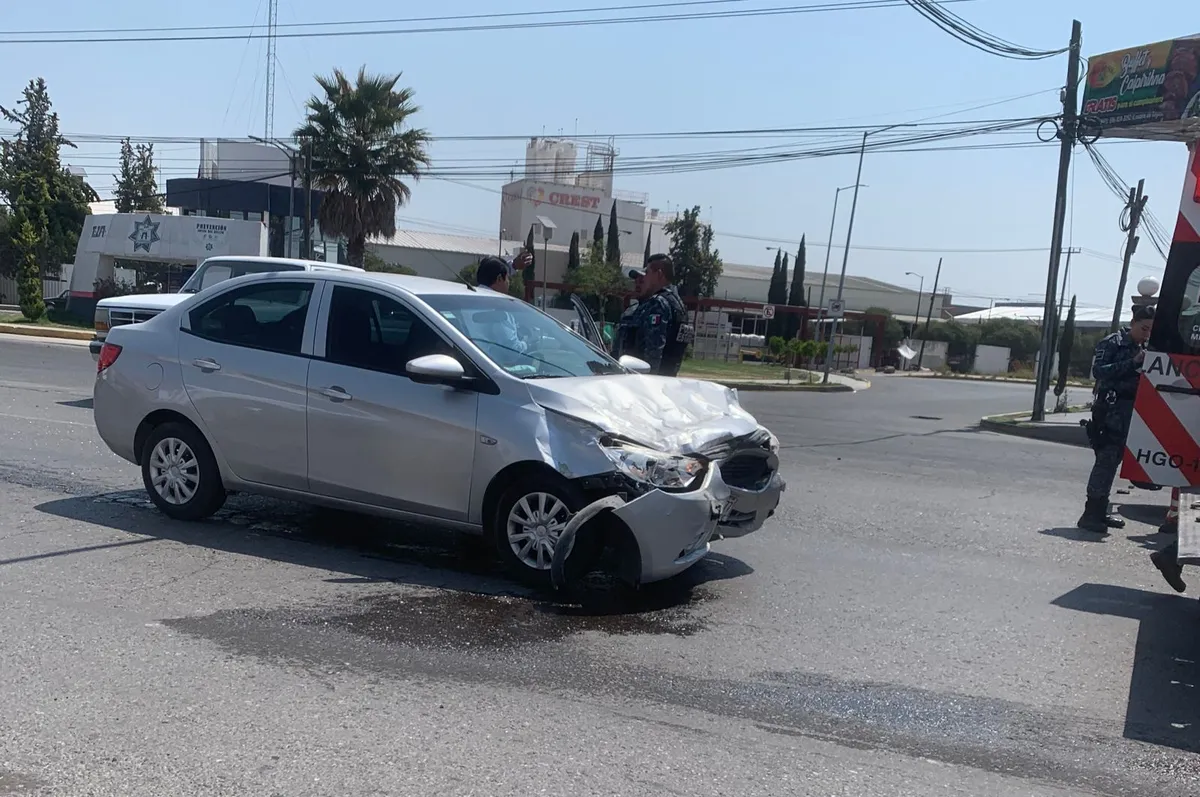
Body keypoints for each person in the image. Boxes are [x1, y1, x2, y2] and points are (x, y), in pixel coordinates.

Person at [1077, 304, 1155, 534]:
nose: (1147, 333)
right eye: (1144, 328)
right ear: (1133, 323)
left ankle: (1101, 511)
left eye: (1151, 330)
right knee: (1105, 461)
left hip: (1129, 410)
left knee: (1114, 461)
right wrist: (1133, 362)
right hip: (1110, 409)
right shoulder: (1112, 342)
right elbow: (1099, 371)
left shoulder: (1144, 346)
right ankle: (1090, 514)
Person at [617, 254, 693, 376]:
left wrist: (648, 381)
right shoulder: (679, 306)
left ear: (659, 275)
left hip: (646, 382)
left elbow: (654, 352)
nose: (644, 278)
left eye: (647, 273)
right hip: (667, 380)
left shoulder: (658, 303)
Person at [475, 254, 531, 359]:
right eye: (508, 278)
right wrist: (526, 342)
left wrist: (513, 266)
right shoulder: (498, 308)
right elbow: (512, 351)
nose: (509, 283)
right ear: (500, 279)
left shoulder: (467, 299)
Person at [611, 268, 644, 358]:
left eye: (641, 282)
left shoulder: (655, 309)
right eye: (636, 282)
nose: (637, 285)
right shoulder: (631, 310)